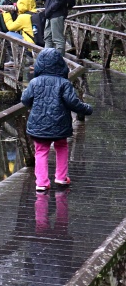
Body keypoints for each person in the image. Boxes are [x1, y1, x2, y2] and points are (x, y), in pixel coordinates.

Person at [21, 48, 93, 192]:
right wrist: (86, 109)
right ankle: (61, 177)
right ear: (61, 64)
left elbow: (25, 100)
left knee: (41, 150)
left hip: (39, 124)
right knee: (61, 147)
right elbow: (72, 103)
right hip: (60, 124)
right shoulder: (64, 83)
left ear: (40, 65)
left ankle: (41, 182)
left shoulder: (35, 82)